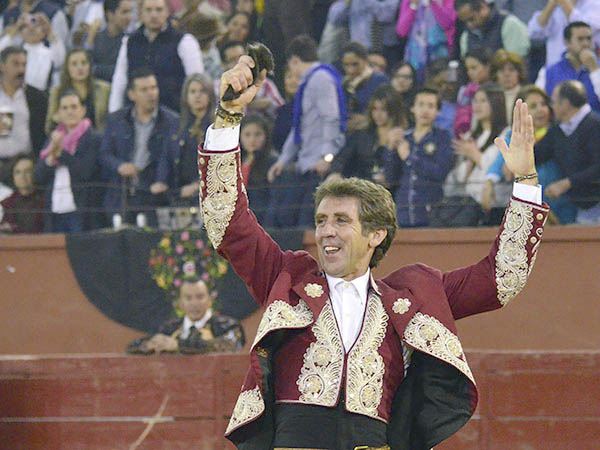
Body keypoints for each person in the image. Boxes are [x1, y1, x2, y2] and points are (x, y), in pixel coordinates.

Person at [198, 54, 549, 449]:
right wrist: (227, 118)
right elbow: (227, 222)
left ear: (376, 234)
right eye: (321, 220)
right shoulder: (287, 277)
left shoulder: (414, 296)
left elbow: (502, 278)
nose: (326, 232)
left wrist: (526, 181)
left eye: (341, 221)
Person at [266, 35, 346, 228]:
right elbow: (299, 126)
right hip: (306, 162)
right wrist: (284, 160)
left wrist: (326, 156)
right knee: (289, 218)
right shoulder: (309, 82)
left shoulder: (321, 79)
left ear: (294, 60)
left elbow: (331, 118)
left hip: (318, 164)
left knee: (309, 222)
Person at [482, 85, 578, 224]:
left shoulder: (560, 133)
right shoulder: (515, 136)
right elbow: (499, 162)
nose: (541, 110)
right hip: (531, 212)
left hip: (562, 207)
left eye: (543, 104)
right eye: (533, 106)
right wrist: (488, 183)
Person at [100, 68, 177, 225]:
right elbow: (104, 154)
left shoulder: (172, 121)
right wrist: (120, 166)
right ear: (132, 94)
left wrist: (162, 181)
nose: (151, 94)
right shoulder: (116, 120)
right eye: (144, 90)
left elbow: (172, 158)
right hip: (121, 195)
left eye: (153, 88)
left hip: (154, 196)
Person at [108, 0, 204, 113]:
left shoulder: (185, 41)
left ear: (167, 12)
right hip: (134, 114)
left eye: (159, 10)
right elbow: (120, 81)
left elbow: (196, 82)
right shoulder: (129, 41)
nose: (154, 15)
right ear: (141, 12)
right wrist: (114, 114)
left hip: (175, 112)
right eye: (148, 10)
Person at [34, 90, 102, 233]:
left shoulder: (94, 138)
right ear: (59, 113)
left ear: (83, 110)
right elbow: (38, 177)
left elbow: (87, 172)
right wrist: (51, 158)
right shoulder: (53, 139)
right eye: (64, 108)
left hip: (82, 211)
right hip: (55, 210)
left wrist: (61, 154)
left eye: (74, 107)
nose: (69, 112)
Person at [385, 87, 453, 227]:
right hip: (402, 211)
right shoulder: (404, 138)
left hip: (430, 212)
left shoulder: (443, 138)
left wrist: (409, 158)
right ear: (413, 108)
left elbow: (440, 172)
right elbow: (390, 177)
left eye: (431, 106)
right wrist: (391, 149)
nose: (425, 110)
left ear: (438, 111)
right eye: (421, 105)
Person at [535, 80, 600, 224]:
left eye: (553, 102)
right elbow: (537, 154)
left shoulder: (595, 125)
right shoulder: (559, 131)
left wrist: (566, 183)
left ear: (565, 104)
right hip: (580, 210)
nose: (552, 107)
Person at [445, 83, 510, 224]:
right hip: (469, 207)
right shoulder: (470, 136)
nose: (477, 105)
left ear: (496, 104)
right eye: (475, 101)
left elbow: (501, 170)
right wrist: (469, 162)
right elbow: (459, 178)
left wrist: (475, 155)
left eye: (483, 101)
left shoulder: (506, 134)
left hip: (496, 206)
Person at [127, 277, 245, 354]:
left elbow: (229, 346)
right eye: (188, 298)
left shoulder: (227, 326)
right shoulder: (169, 328)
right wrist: (151, 344)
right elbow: (133, 348)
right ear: (180, 303)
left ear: (209, 300)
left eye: (200, 297)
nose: (194, 303)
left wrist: (178, 345)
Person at [325, 84, 406, 183]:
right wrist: (335, 173)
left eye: (383, 109)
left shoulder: (404, 137)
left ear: (393, 111)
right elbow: (341, 158)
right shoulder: (362, 135)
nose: (378, 114)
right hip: (362, 185)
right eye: (375, 109)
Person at [172, 73, 214, 207]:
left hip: (210, 194)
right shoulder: (177, 125)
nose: (197, 96)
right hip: (180, 191)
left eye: (202, 91)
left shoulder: (217, 127)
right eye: (193, 91)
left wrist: (197, 185)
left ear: (210, 95)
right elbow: (167, 157)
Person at [538, 21, 600, 112]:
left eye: (589, 39)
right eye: (580, 39)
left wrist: (595, 70)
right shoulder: (548, 72)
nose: (586, 44)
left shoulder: (597, 68)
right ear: (567, 43)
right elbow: (538, 104)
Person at [46, 49, 111, 135]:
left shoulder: (104, 89)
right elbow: (49, 126)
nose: (80, 68)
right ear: (67, 68)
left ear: (90, 66)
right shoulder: (57, 91)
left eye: (84, 63)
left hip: (98, 139)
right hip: (67, 139)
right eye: (74, 64)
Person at [0, 46, 47, 160]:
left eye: (24, 65)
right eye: (16, 64)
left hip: (26, 162)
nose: (21, 70)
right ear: (2, 66)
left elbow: (42, 135)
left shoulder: (37, 97)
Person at [0, 12, 66, 92]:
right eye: (26, 26)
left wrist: (50, 30)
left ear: (44, 32)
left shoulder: (49, 53)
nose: (31, 29)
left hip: (39, 94)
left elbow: (60, 59)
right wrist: (16, 27)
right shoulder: (14, 51)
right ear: (20, 33)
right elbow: (1, 51)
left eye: (37, 26)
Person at [395, 0, 456, 83]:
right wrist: (413, 7)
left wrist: (433, 3)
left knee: (447, 84)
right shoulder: (408, 1)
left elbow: (447, 24)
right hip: (415, 58)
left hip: (443, 55)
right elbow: (401, 31)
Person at [528, 0, 600, 69]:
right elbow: (534, 33)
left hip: (586, 69)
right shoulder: (555, 7)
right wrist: (550, 6)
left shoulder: (595, 4)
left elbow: (586, 28)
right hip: (555, 69)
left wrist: (564, 3)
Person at [341, 41, 390, 132]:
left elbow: (390, 111)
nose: (351, 70)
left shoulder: (380, 80)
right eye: (346, 65)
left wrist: (366, 119)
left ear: (365, 61)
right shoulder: (342, 83)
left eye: (355, 64)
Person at [455, 0, 530, 58]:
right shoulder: (466, 36)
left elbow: (517, 63)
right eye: (465, 22)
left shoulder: (509, 25)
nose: (469, 25)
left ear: (483, 7)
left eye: (471, 19)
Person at [239, 114, 279, 225]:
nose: (252, 140)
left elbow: (273, 200)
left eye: (257, 134)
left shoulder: (272, 162)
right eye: (247, 135)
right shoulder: (235, 161)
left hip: (260, 219)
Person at [87, 0, 134, 83]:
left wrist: (98, 69)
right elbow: (87, 67)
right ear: (110, 15)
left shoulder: (131, 40)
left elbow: (125, 71)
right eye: (124, 12)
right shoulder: (96, 38)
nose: (129, 17)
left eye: (130, 12)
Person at [453, 46, 492, 137]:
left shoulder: (495, 92)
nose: (469, 72)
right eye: (468, 69)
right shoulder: (464, 91)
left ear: (487, 66)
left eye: (474, 68)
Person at [0, 155, 44, 233]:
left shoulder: (45, 200)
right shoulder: (7, 203)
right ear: (13, 176)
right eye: (18, 172)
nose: (22, 176)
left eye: (27, 171)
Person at [490, 49, 527, 125]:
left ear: (519, 73)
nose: (507, 74)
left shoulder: (527, 95)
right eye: (502, 70)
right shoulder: (489, 97)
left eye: (511, 69)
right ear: (495, 74)